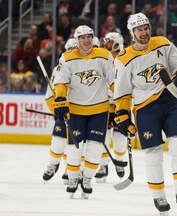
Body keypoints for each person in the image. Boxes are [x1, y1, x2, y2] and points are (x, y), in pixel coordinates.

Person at [113, 13, 177, 216]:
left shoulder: (162, 43)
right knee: (154, 153)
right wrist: (123, 115)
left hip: (170, 100)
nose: (144, 32)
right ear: (132, 33)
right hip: (145, 108)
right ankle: (159, 197)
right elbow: (122, 93)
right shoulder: (124, 59)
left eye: (146, 28)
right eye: (139, 30)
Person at [52, 25, 115, 199]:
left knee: (95, 148)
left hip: (100, 110)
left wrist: (119, 103)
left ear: (93, 39)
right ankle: (73, 178)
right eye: (82, 38)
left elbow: (113, 81)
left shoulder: (104, 55)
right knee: (74, 148)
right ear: (77, 40)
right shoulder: (67, 58)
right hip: (76, 110)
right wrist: (59, 99)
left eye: (89, 37)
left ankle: (87, 179)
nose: (86, 40)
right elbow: (61, 83)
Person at [42, 38, 78, 185]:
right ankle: (53, 164)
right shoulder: (59, 69)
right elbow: (50, 96)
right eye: (68, 50)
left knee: (75, 145)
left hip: (81, 112)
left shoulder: (87, 66)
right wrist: (56, 111)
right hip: (64, 112)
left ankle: (72, 170)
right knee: (58, 141)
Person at [94, 32, 127, 182]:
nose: (106, 44)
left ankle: (119, 163)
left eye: (109, 42)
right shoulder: (101, 59)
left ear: (116, 44)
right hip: (104, 106)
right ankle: (103, 165)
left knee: (120, 138)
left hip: (120, 105)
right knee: (104, 137)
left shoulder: (125, 59)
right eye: (105, 41)